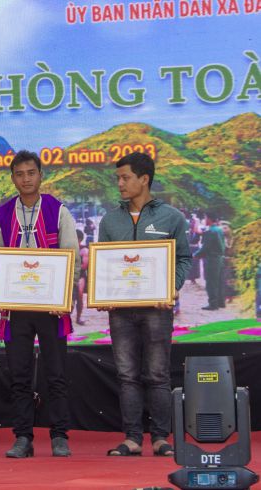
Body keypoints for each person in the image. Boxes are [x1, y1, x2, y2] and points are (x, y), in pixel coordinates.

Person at [0, 150, 80, 458]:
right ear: (12, 178)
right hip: (17, 309)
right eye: (19, 174)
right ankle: (23, 437)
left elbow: (72, 256)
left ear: (41, 175)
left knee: (57, 373)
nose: (25, 179)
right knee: (20, 375)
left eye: (31, 173)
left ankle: (59, 435)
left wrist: (63, 298)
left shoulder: (58, 210)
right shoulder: (1, 214)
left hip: (51, 308)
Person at [99, 152, 191, 458]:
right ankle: (132, 439)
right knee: (126, 374)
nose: (120, 184)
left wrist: (172, 287)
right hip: (120, 312)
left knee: (157, 374)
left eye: (125, 178)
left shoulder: (172, 217)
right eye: (118, 179)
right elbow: (103, 264)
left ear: (144, 179)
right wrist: (102, 292)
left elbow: (184, 258)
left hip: (157, 309)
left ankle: (161, 439)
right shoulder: (110, 220)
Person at [194, 212, 226, 310]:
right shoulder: (219, 230)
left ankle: (213, 304)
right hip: (220, 258)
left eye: (206, 218)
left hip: (212, 259)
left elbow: (205, 247)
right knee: (219, 281)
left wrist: (196, 255)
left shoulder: (210, 232)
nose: (205, 220)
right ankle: (221, 302)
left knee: (211, 282)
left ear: (210, 219)